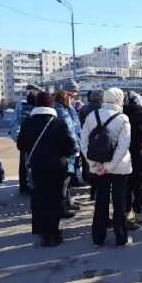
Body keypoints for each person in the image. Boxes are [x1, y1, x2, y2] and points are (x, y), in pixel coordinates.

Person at [17, 92, 75, 246]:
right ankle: (54, 233)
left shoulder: (28, 123)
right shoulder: (58, 123)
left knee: (41, 199)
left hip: (37, 166)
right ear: (51, 105)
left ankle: (44, 234)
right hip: (57, 167)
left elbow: (21, 145)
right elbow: (70, 147)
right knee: (55, 199)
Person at [80, 87, 132, 248]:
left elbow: (83, 144)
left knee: (101, 201)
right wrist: (110, 165)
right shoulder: (122, 118)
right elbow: (123, 146)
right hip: (120, 167)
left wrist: (96, 165)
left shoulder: (91, 116)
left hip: (98, 167)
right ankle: (121, 238)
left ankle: (98, 238)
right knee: (119, 202)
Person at [123, 91, 142, 226]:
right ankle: (139, 213)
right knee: (139, 185)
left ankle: (127, 212)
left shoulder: (121, 113)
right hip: (140, 152)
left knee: (126, 185)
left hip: (124, 153)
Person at [54, 88, 81, 216]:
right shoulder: (61, 111)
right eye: (70, 98)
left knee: (67, 179)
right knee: (64, 180)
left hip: (69, 148)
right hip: (66, 150)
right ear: (64, 98)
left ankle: (67, 202)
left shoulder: (64, 109)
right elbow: (69, 130)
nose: (72, 100)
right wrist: (75, 146)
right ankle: (62, 208)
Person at [10, 84, 39, 194]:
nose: (31, 93)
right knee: (24, 162)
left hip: (31, 135)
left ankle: (28, 184)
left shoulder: (36, 102)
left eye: (33, 91)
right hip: (25, 136)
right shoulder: (21, 104)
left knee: (28, 161)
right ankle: (24, 185)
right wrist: (16, 136)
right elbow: (16, 120)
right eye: (29, 91)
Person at [79, 89, 104, 201]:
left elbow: (80, 124)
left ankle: (92, 191)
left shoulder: (84, 108)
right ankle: (99, 192)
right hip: (101, 140)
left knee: (90, 164)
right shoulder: (103, 109)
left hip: (88, 139)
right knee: (101, 166)